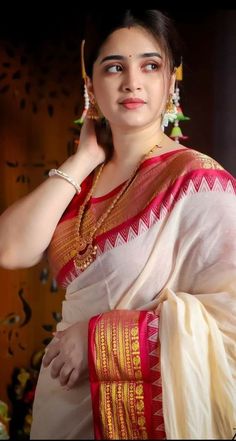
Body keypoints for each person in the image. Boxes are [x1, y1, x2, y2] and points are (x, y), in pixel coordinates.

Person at [0, 8, 235, 440]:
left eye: (150, 65)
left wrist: (101, 340)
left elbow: (229, 320)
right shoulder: (84, 182)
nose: (132, 81)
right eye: (114, 67)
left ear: (170, 81)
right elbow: (9, 249)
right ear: (90, 82)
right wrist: (83, 157)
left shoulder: (198, 183)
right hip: (62, 413)